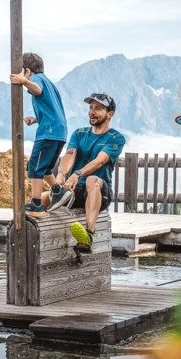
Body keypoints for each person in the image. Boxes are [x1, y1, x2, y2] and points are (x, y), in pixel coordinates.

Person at [55, 92, 127, 253]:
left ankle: (89, 234)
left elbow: (100, 161)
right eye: (91, 107)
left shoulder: (115, 138)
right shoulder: (79, 133)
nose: (92, 111)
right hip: (76, 191)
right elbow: (69, 154)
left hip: (100, 191)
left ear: (110, 114)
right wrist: (61, 175)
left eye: (98, 108)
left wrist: (77, 174)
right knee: (45, 198)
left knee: (91, 180)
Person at [9, 52, 73, 213]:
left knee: (34, 167)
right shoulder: (50, 84)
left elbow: (36, 90)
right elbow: (52, 109)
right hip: (59, 132)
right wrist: (36, 119)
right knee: (44, 167)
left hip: (48, 133)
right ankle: (58, 191)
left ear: (27, 71)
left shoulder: (36, 79)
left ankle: (36, 203)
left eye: (22, 73)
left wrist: (24, 81)